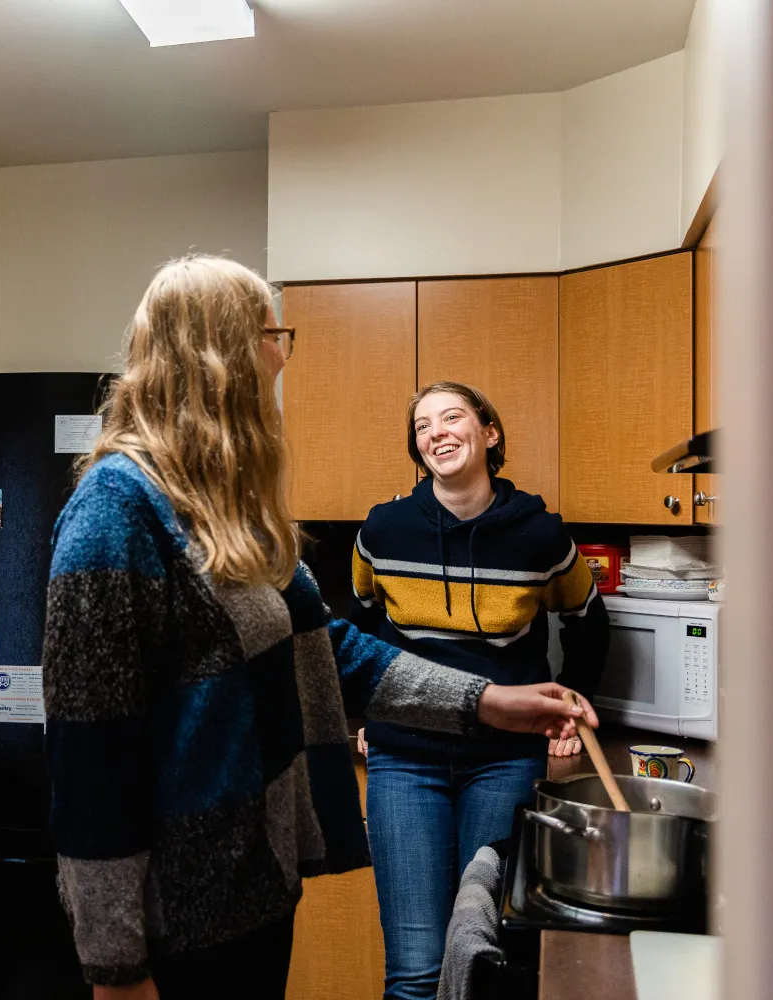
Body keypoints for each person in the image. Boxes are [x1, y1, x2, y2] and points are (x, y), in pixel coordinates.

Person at [42, 257, 598, 1000]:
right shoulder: (117, 510)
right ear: (221, 354)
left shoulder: (228, 510)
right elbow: (90, 761)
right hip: (178, 929)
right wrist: (116, 973)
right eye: (274, 335)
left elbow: (335, 649)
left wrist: (489, 702)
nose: (282, 356)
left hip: (255, 898)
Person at [351, 380, 610, 1000]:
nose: (435, 432)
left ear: (489, 433)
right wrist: (363, 706)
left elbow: (588, 623)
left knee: (482, 957)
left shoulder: (541, 535)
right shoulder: (383, 530)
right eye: (422, 426)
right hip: (404, 758)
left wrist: (565, 709)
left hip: (503, 759)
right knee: (414, 969)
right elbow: (359, 626)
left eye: (451, 417)